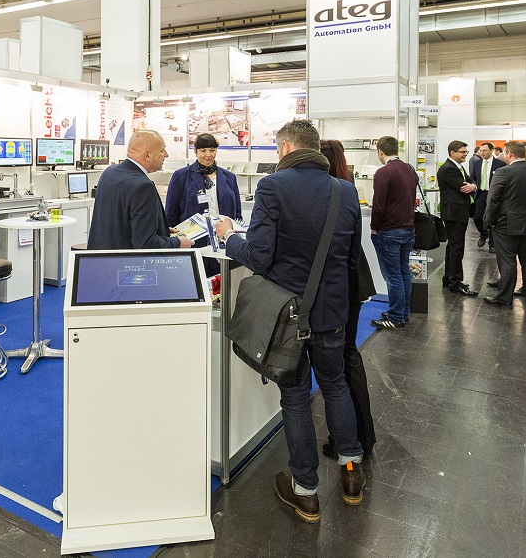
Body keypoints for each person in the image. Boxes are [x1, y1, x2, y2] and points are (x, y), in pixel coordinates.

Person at [214, 120, 363, 524]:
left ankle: (306, 491)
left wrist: (229, 237)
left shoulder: (273, 187)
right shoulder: (346, 190)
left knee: (295, 399)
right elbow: (351, 256)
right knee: (335, 385)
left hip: (289, 315)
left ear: (284, 148)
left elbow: (259, 257)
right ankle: (352, 471)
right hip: (332, 311)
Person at [319, 139, 377, 460]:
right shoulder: (348, 189)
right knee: (349, 355)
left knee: (342, 360)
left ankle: (351, 436)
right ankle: (361, 434)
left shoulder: (330, 192)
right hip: (354, 282)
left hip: (340, 285)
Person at [88, 130, 192, 250]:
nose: (166, 154)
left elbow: (119, 223)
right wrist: (178, 243)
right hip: (126, 260)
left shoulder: (109, 172)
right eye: (162, 150)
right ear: (147, 155)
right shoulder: (143, 187)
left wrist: (160, 229)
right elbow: (146, 244)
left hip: (100, 257)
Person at [164, 132, 242, 276]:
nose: (208, 155)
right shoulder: (181, 176)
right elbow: (170, 213)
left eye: (212, 150)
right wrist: (173, 243)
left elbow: (237, 212)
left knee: (222, 282)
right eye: (203, 150)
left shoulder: (229, 177)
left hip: (223, 242)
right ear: (195, 151)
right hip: (193, 242)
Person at [482, 141, 526, 306]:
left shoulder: (503, 172)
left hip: (506, 223)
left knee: (507, 260)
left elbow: (493, 199)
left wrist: (489, 221)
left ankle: (504, 297)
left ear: (509, 154)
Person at [369, 135, 418, 330]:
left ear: (380, 151)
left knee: (393, 276)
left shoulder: (384, 172)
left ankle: (396, 316)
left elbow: (378, 205)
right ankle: (402, 312)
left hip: (389, 230)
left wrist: (374, 227)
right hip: (408, 229)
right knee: (403, 272)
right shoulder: (410, 170)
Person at [436, 140, 478, 296]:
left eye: (466, 152)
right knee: (457, 247)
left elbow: (471, 183)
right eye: (462, 152)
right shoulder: (448, 169)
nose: (465, 154)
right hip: (454, 213)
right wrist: (471, 187)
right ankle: (455, 282)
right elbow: (463, 187)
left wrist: (473, 186)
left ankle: (449, 278)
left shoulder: (457, 167)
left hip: (457, 212)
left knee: (453, 246)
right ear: (452, 152)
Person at [469, 142, 506, 251]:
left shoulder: (500, 164)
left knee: (492, 219)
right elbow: (473, 178)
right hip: (481, 193)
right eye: (480, 150)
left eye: (484, 150)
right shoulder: (477, 163)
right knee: (477, 217)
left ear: (491, 150)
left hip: (494, 194)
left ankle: (492, 244)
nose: (482, 153)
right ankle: (484, 234)